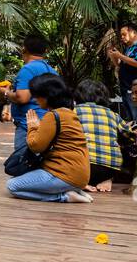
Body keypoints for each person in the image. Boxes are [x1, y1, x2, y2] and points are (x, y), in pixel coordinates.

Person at [6, 73, 93, 203]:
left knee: (12, 186)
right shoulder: (69, 113)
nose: (35, 100)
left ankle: (64, 196)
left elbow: (36, 146)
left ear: (48, 96)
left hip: (62, 174)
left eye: (37, 96)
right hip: (81, 175)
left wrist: (32, 127)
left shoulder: (53, 115)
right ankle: (73, 189)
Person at [2, 34, 56, 153]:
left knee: (23, 163)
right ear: (45, 51)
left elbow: (22, 97)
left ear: (24, 49)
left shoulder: (28, 70)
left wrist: (7, 92)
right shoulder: (52, 71)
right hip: (48, 126)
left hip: (28, 125)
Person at [73, 79, 124, 192]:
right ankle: (106, 179)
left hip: (80, 167)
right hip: (109, 169)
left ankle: (78, 182)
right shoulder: (113, 114)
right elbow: (130, 136)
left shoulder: (73, 111)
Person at [108, 21, 137, 122]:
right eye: (121, 35)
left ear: (133, 33)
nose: (122, 37)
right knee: (130, 117)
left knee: (136, 117)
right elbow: (120, 66)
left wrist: (120, 55)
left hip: (136, 89)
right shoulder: (129, 48)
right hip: (125, 88)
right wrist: (114, 57)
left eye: (124, 34)